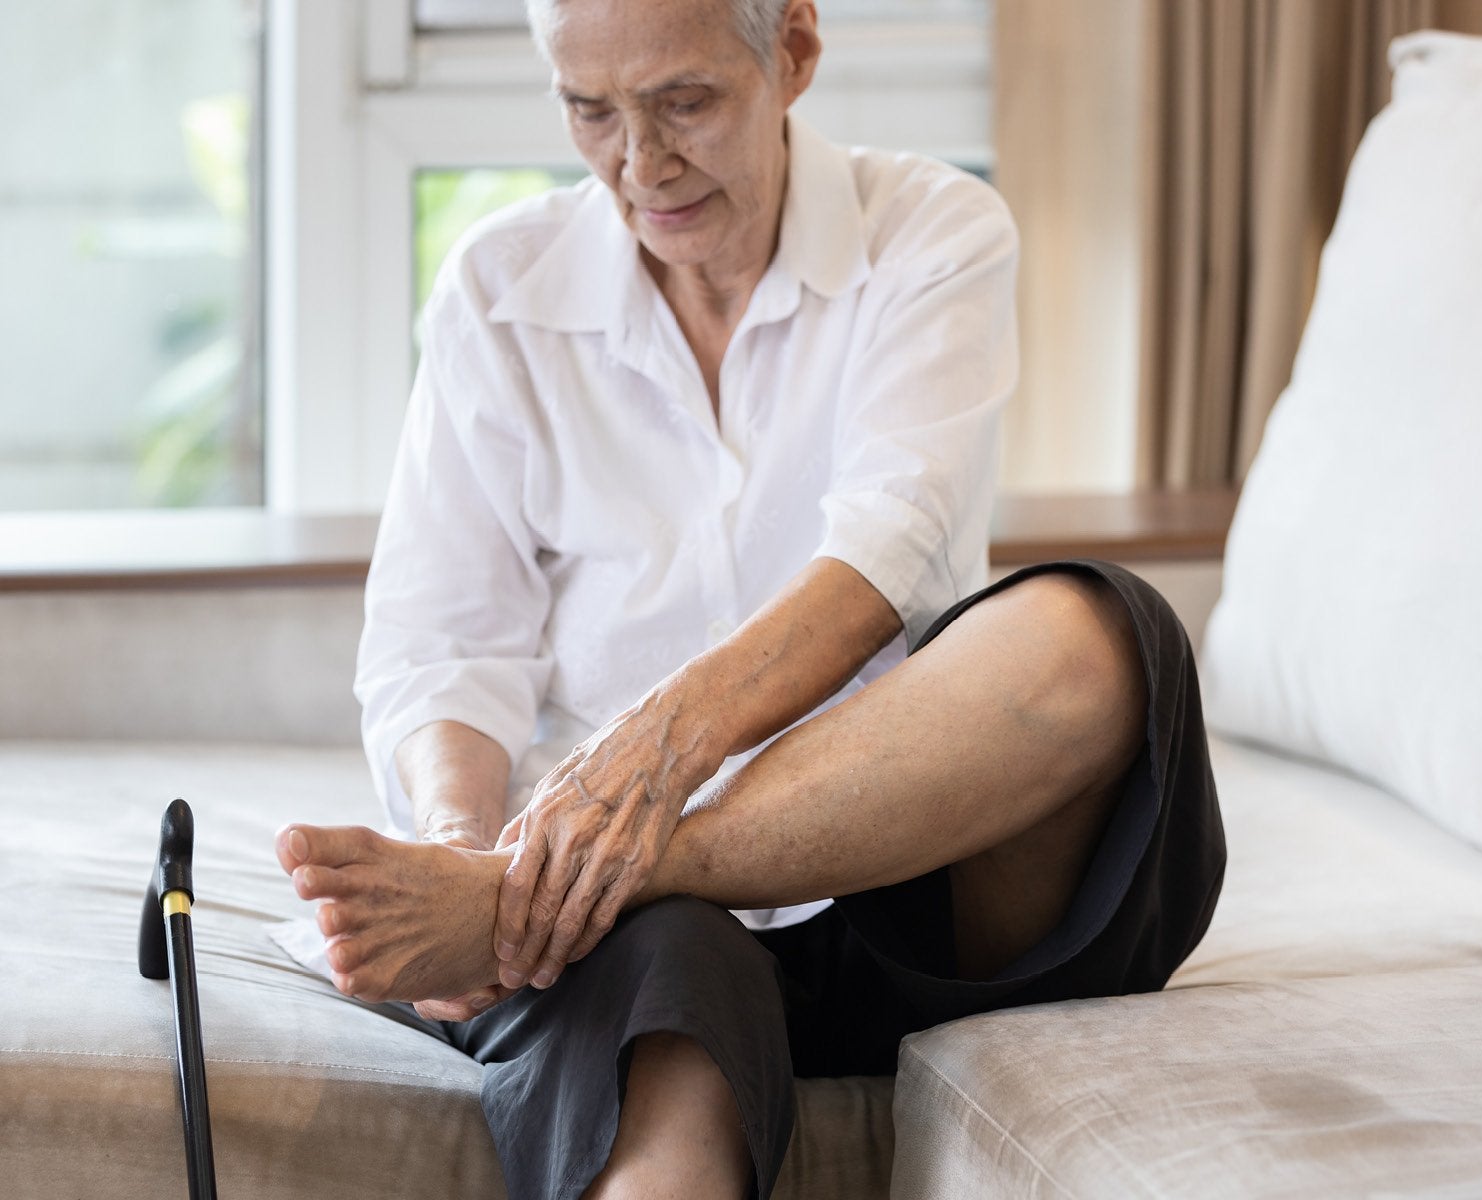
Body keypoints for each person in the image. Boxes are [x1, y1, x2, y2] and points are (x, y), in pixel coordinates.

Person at [275, 0, 1227, 1196]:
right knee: (668, 1020)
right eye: (590, 111)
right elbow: (443, 643)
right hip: (635, 948)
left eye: (685, 103)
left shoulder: (931, 231)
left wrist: (625, 794)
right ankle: (571, 890)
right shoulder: (499, 293)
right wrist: (464, 839)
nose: (641, 163)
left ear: (793, 53)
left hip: (912, 879)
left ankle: (569, 882)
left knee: (1099, 633)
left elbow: (889, 559)